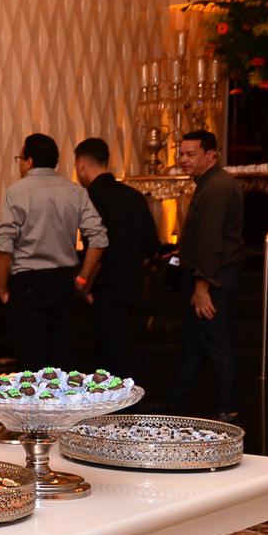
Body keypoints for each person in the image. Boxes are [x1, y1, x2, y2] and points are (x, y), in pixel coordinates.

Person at [0, 133, 107, 371]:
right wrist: (82, 278)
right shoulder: (74, 191)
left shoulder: (16, 191)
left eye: (20, 159)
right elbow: (99, 238)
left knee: (30, 361)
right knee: (60, 361)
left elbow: (4, 246)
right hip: (63, 282)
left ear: (29, 161)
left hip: (27, 282)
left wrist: (2, 288)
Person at [167, 130, 243, 422]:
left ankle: (229, 408)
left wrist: (202, 287)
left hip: (214, 279)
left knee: (216, 341)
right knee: (196, 342)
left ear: (211, 155)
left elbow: (212, 242)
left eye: (191, 154)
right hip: (208, 275)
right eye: (181, 154)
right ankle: (178, 402)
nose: (183, 160)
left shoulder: (217, 188)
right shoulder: (208, 183)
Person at [73, 137, 159, 381]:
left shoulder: (90, 198)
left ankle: (115, 402)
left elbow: (97, 247)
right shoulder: (134, 196)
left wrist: (84, 283)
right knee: (126, 352)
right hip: (133, 285)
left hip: (104, 289)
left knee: (109, 357)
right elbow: (151, 245)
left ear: (81, 165)